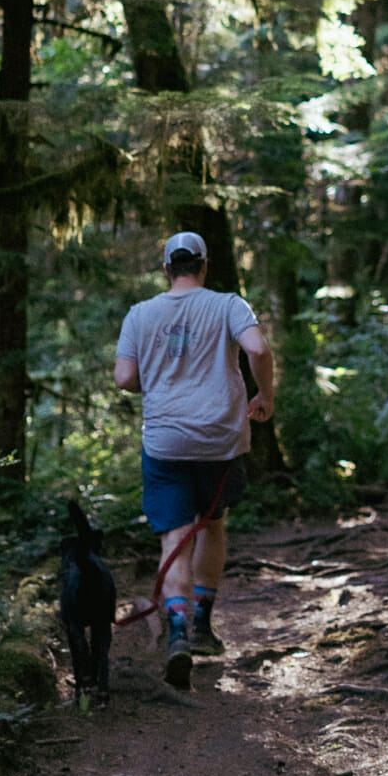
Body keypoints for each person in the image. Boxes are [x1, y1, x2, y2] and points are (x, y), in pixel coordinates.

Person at [115, 230, 275, 688]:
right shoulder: (229, 305)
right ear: (204, 266)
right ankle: (203, 623)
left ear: (167, 268)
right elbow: (258, 349)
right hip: (220, 441)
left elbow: (124, 378)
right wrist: (264, 395)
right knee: (213, 524)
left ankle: (178, 630)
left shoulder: (140, 314)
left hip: (165, 443)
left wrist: (157, 382)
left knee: (176, 537)